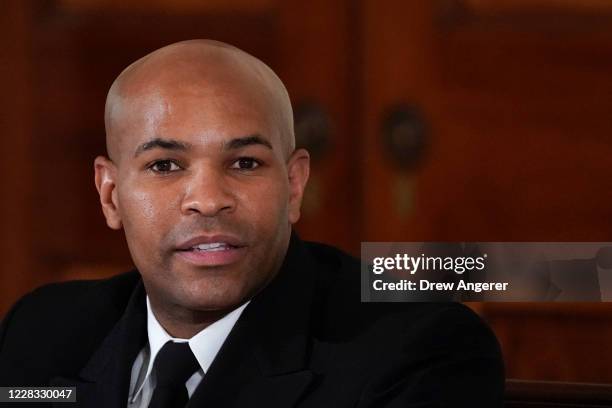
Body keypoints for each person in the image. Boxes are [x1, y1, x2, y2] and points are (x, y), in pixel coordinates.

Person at [0, 40, 504, 407]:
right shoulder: (40, 334)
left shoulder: (417, 351)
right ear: (110, 195)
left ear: (294, 185)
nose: (208, 200)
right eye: (165, 166)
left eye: (244, 163)